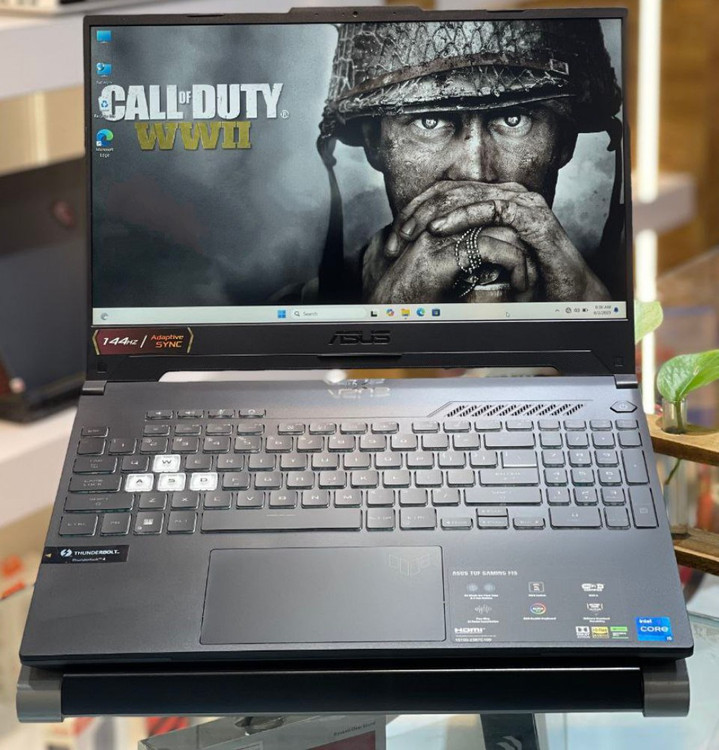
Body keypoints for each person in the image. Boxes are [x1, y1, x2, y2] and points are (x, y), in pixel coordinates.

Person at [314, 18, 624, 305]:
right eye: (430, 122)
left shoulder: (634, 294)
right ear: (373, 141)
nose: (474, 172)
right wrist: (387, 320)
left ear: (565, 141)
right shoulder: (301, 312)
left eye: (513, 119)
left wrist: (589, 309)